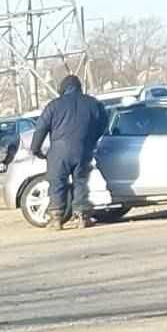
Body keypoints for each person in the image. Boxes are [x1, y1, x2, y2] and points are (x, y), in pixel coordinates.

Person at [29, 74, 110, 230]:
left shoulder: (54, 105)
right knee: (81, 182)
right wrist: (91, 140)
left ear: (63, 88)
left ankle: (56, 219)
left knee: (57, 183)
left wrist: (35, 149)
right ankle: (82, 217)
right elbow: (103, 124)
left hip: (59, 152)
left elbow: (41, 128)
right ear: (79, 87)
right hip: (83, 149)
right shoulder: (93, 103)